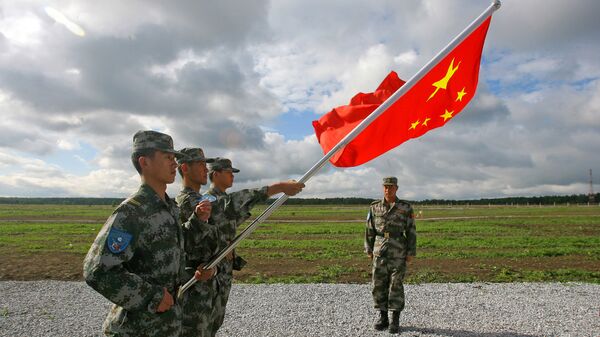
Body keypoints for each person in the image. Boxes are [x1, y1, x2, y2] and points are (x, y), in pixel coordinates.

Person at [83, 130, 215, 337]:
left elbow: (170, 256)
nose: (174, 164)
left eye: (174, 158)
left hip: (166, 327)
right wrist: (150, 296)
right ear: (144, 162)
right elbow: (98, 270)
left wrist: (195, 272)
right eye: (168, 157)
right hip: (137, 330)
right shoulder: (131, 212)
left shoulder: (169, 207)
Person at [205, 157, 305, 336]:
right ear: (215, 174)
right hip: (212, 271)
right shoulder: (209, 200)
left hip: (223, 269)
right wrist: (279, 187)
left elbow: (232, 221)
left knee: (216, 319)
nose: (232, 176)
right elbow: (241, 201)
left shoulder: (223, 199)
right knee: (207, 320)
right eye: (229, 172)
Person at [174, 147, 219, 337]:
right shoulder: (189, 202)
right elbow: (187, 245)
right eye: (200, 164)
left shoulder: (199, 199)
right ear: (184, 168)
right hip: (193, 287)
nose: (205, 169)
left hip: (203, 283)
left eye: (205, 164)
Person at [365, 176, 417, 334]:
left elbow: (411, 231)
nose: (388, 189)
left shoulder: (405, 207)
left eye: (391, 187)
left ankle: (395, 320)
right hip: (379, 250)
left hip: (398, 250)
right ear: (383, 188)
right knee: (378, 284)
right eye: (385, 187)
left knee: (396, 285)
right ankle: (383, 318)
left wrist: (410, 252)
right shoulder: (375, 207)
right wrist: (368, 249)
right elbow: (369, 229)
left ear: (396, 188)